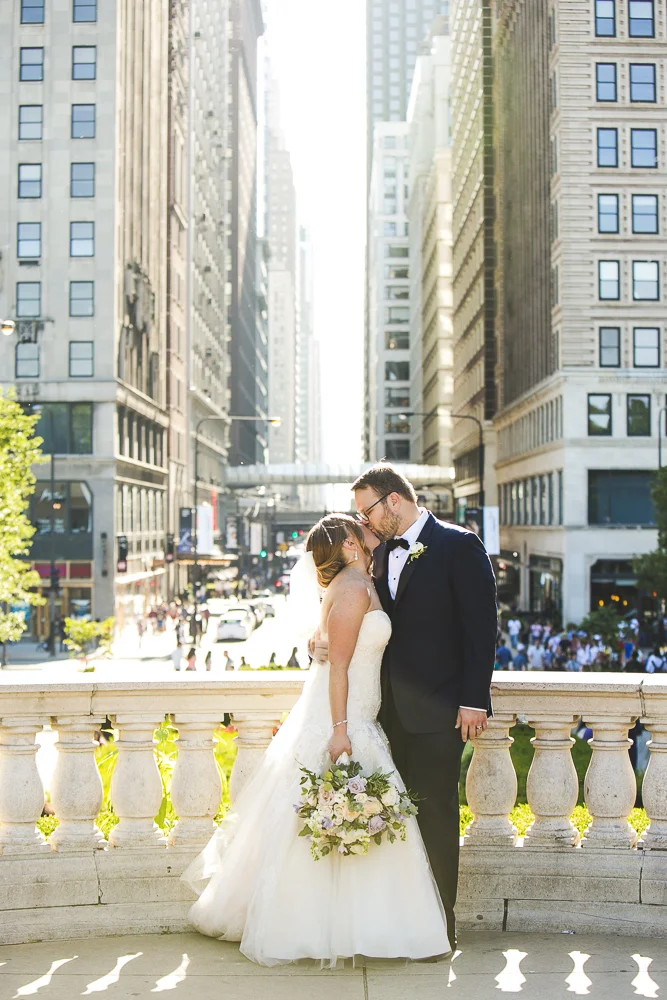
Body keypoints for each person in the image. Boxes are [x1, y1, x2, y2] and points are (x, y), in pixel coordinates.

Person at [183, 511, 451, 965]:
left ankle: (365, 926)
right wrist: (341, 730)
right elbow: (340, 666)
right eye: (357, 526)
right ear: (349, 543)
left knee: (352, 820)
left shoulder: (363, 579)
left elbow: (332, 644)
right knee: (332, 818)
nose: (367, 527)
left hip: (363, 715)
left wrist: (317, 641)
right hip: (346, 720)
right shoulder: (350, 588)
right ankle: (315, 927)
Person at [349, 464, 496, 948]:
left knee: (435, 816)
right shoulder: (380, 552)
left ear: (394, 500)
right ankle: (400, 922)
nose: (364, 523)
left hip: (439, 714)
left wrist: (474, 699)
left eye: (367, 511)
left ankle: (440, 927)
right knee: (393, 819)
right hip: (385, 713)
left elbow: (480, 628)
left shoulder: (458, 545)